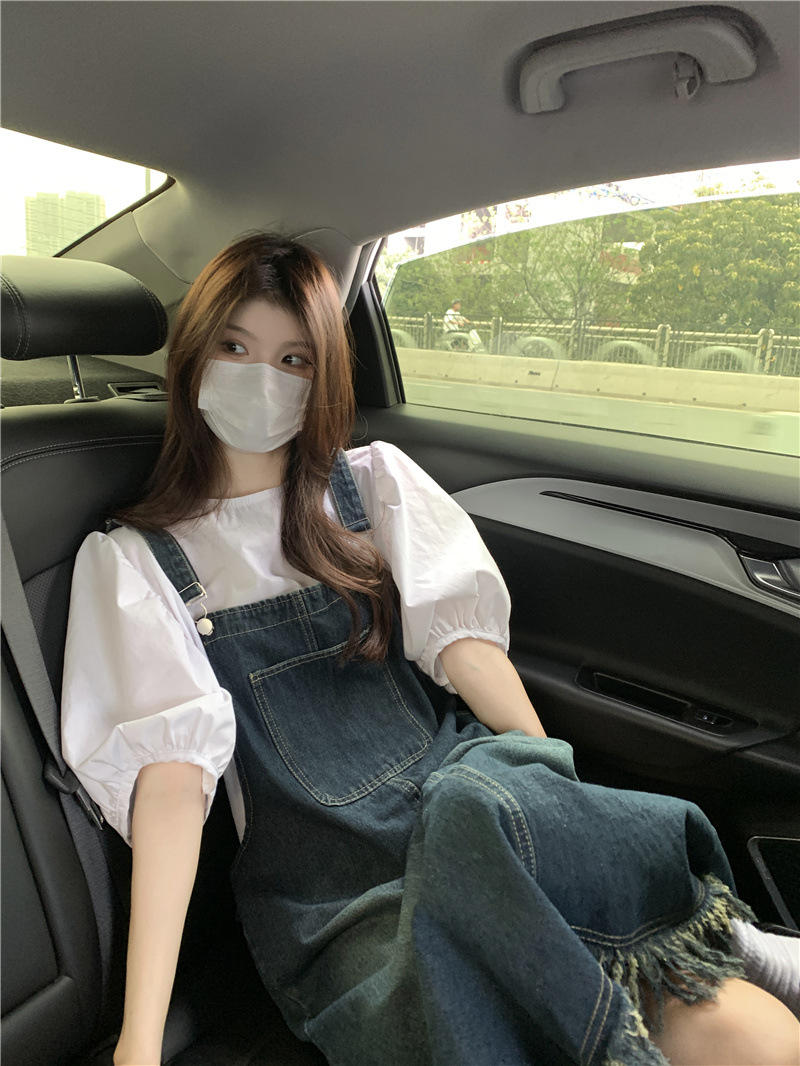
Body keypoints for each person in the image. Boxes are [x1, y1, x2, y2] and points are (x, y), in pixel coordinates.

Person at [61, 233, 800, 1066]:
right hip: (340, 896)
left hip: (468, 800)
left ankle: (717, 936)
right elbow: (169, 791)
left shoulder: (371, 486)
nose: (261, 378)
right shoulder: (138, 563)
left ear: (322, 378)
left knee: (755, 1035)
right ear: (193, 355)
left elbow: (470, 654)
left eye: (294, 359)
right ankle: (704, 934)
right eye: (234, 347)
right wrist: (139, 1042)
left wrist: (568, 816)